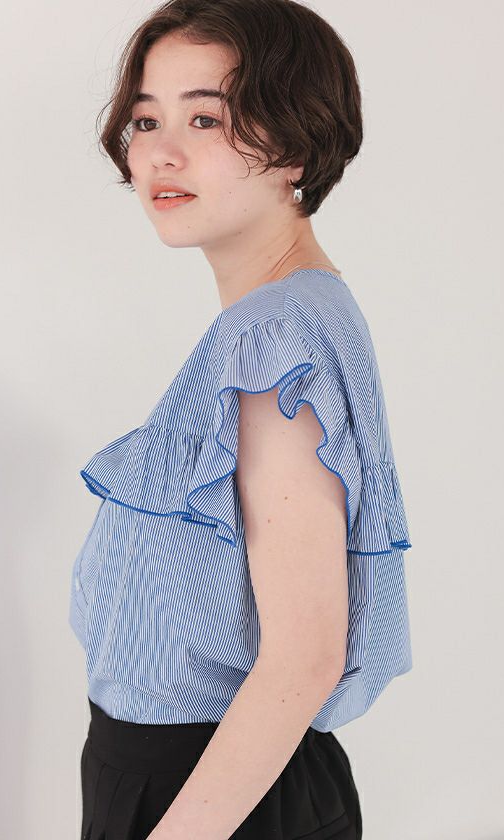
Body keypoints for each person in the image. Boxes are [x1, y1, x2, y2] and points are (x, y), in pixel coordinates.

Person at [69, 1, 413, 837]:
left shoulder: (274, 336)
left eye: (205, 118)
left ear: (295, 143)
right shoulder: (292, 314)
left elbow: (304, 657)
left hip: (215, 793)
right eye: (145, 119)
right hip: (213, 779)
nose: (162, 152)